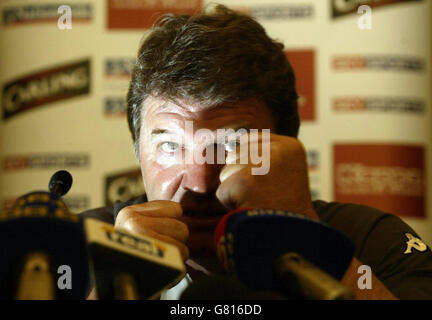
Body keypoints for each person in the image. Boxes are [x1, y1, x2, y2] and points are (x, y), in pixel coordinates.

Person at [82, 4, 432, 300]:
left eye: (233, 143)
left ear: (286, 147)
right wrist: (116, 286)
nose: (202, 181)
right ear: (137, 150)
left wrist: (305, 241)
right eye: (170, 145)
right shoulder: (79, 246)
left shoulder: (368, 240)